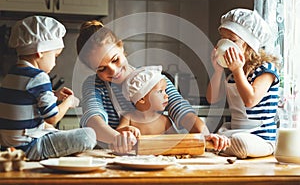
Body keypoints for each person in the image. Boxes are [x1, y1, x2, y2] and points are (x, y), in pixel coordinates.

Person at [76, 20, 230, 154]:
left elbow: (181, 110)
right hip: (110, 159)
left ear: (121, 48)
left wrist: (205, 135)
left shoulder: (153, 78)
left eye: (115, 60)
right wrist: (119, 139)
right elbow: (93, 120)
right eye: (101, 69)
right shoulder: (94, 85)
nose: (113, 71)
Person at [0, 16, 96, 161]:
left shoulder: (11, 74)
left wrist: (54, 96)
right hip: (30, 147)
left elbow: (27, 98)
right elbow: (52, 118)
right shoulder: (39, 77)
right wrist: (68, 102)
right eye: (55, 56)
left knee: (50, 131)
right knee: (88, 135)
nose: (55, 62)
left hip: (8, 147)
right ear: (40, 52)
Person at [206, 8, 281, 159]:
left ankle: (219, 146)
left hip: (260, 139)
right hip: (234, 132)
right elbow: (212, 99)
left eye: (232, 40)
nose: (225, 44)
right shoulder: (233, 75)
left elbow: (250, 100)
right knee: (220, 137)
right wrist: (218, 71)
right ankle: (220, 145)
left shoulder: (266, 70)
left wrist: (237, 70)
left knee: (241, 143)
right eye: (222, 39)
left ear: (249, 44)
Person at [117, 65, 178, 136]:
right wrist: (126, 129)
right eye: (160, 91)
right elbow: (117, 133)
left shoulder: (165, 120)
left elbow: (176, 139)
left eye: (165, 91)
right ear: (142, 99)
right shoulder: (129, 118)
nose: (166, 95)